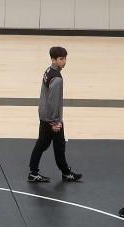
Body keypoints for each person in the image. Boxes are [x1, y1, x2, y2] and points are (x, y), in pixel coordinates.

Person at [27, 46, 82, 183]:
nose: (64, 62)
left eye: (65, 58)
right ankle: (65, 173)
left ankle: (35, 172)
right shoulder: (57, 78)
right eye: (61, 59)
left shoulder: (49, 71)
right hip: (51, 118)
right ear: (53, 59)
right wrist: (56, 122)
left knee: (43, 144)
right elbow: (53, 101)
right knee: (57, 146)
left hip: (45, 115)